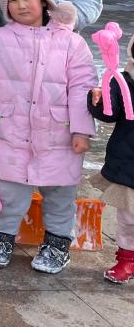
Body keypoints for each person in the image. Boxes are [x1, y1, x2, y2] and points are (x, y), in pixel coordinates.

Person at [0, 0, 95, 273]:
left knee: (60, 192)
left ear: (44, 1)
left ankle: (57, 244)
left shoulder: (72, 43)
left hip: (58, 132)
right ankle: (1, 239)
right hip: (9, 130)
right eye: (13, 0)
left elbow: (82, 87)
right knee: (8, 190)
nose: (21, 5)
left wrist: (81, 130)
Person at [88, 32, 134, 284]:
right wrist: (99, 97)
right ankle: (127, 260)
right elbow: (109, 113)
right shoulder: (123, 80)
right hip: (129, 163)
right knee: (128, 219)